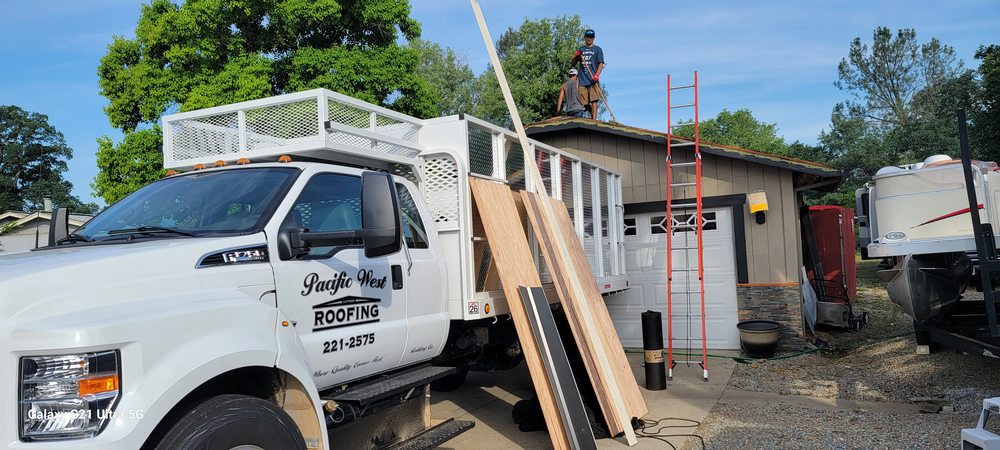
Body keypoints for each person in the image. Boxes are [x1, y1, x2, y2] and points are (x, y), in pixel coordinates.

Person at [569, 28, 604, 119]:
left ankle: (594, 120)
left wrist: (597, 75)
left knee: (594, 100)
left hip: (593, 80)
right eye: (587, 36)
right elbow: (573, 64)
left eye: (591, 37)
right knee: (583, 102)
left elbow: (601, 64)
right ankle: (592, 112)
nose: (589, 38)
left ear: (594, 38)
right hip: (582, 80)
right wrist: (575, 56)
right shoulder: (581, 49)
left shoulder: (597, 49)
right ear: (584, 37)